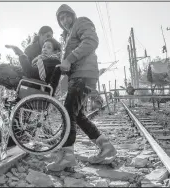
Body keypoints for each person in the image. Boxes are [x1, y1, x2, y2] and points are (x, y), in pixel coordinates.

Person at [46, 4, 117, 171]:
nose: (64, 21)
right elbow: (67, 57)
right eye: (61, 19)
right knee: (77, 115)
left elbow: (92, 41)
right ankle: (106, 147)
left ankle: (67, 156)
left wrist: (69, 58)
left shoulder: (81, 22)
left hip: (83, 74)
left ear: (73, 15)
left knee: (68, 111)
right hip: (79, 76)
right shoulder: (68, 35)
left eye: (66, 16)